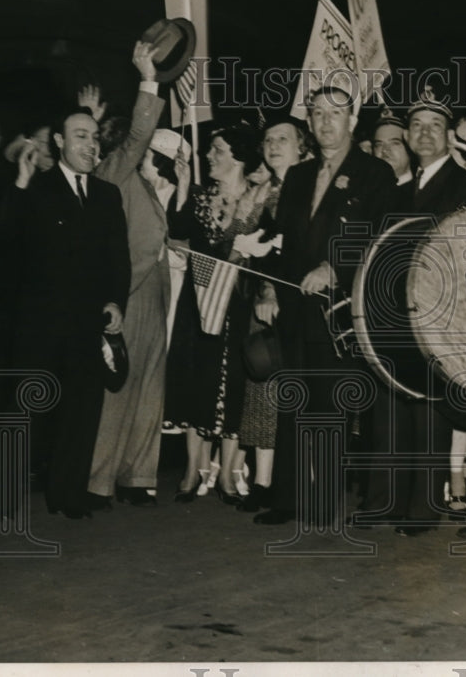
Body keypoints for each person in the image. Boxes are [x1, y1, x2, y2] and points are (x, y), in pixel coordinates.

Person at [253, 85, 397, 527]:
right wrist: (270, 290)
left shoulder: (375, 173)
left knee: (329, 405)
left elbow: (376, 236)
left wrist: (334, 270)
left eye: (335, 113)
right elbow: (282, 244)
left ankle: (321, 502)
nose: (325, 121)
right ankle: (287, 498)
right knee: (293, 401)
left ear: (352, 120)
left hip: (338, 307)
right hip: (295, 303)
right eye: (316, 113)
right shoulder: (298, 175)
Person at [359, 85, 466, 536]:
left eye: (435, 126)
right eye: (417, 125)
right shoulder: (395, 191)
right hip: (392, 317)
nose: (425, 133)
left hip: (438, 318)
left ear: (451, 134)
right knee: (390, 407)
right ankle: (384, 500)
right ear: (408, 136)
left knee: (429, 408)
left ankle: (422, 508)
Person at [0, 105, 130, 519]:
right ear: (59, 141)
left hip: (87, 324)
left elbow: (117, 259)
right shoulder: (35, 189)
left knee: (82, 410)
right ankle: (4, 497)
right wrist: (19, 183)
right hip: (38, 325)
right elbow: (1, 239)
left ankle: (68, 495)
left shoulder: (108, 195)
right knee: (26, 413)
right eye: (81, 136)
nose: (91, 144)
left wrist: (115, 302)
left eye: (94, 137)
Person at [86, 41, 169, 508]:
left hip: (156, 289)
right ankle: (100, 479)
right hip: (130, 289)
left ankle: (138, 475)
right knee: (118, 383)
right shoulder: (112, 170)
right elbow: (137, 135)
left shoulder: (136, 181)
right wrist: (148, 79)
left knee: (151, 383)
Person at [167, 124, 264, 505]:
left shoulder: (257, 201)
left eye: (217, 150)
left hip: (238, 304)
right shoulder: (199, 197)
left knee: (236, 385)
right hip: (200, 302)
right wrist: (182, 184)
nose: (210, 156)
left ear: (237, 157)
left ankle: (227, 473)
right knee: (196, 380)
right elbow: (176, 231)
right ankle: (193, 470)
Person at [233, 112, 309, 512]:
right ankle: (263, 481)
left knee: (296, 393)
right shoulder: (263, 192)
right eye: (268, 141)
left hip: (295, 300)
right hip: (263, 302)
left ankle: (298, 480)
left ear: (302, 146)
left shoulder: (310, 187)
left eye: (283, 139)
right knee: (262, 387)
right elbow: (237, 242)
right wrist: (247, 202)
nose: (274, 146)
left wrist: (271, 288)